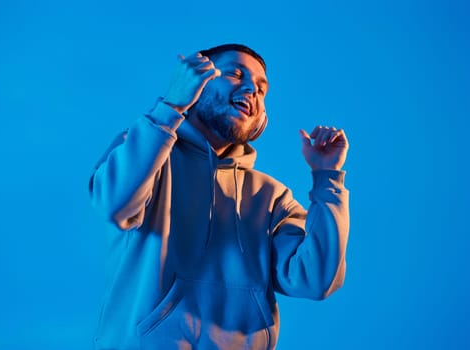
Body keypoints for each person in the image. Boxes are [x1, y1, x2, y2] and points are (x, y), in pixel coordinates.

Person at [89, 43, 350, 350]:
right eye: (236, 74)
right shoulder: (145, 151)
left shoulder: (272, 197)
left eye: (262, 89)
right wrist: (172, 105)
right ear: (195, 83)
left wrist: (327, 178)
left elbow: (315, 279)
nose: (252, 88)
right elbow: (115, 204)